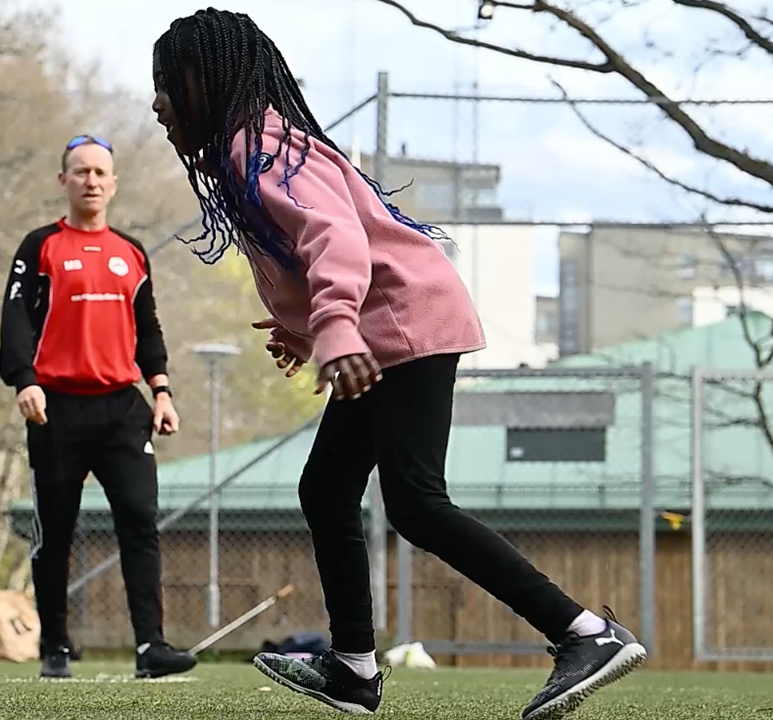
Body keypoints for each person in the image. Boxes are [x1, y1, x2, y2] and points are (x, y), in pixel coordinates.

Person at [150, 9, 646, 719]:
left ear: (208, 78)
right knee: (326, 489)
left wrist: (336, 326)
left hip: (405, 325)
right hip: (386, 328)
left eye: (168, 82)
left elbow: (337, 239)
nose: (158, 101)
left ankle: (583, 633)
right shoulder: (254, 148)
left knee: (416, 502)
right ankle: (353, 666)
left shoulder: (253, 147)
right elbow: (324, 244)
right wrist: (307, 326)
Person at [0, 134, 196, 680]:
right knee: (55, 533)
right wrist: (24, 381)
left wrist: (161, 389)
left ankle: (151, 648)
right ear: (63, 181)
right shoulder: (39, 247)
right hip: (54, 410)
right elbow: (15, 321)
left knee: (139, 520)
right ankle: (55, 647)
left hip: (121, 411)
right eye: (80, 171)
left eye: (99, 173)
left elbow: (148, 328)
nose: (90, 180)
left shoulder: (131, 252)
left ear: (113, 183)